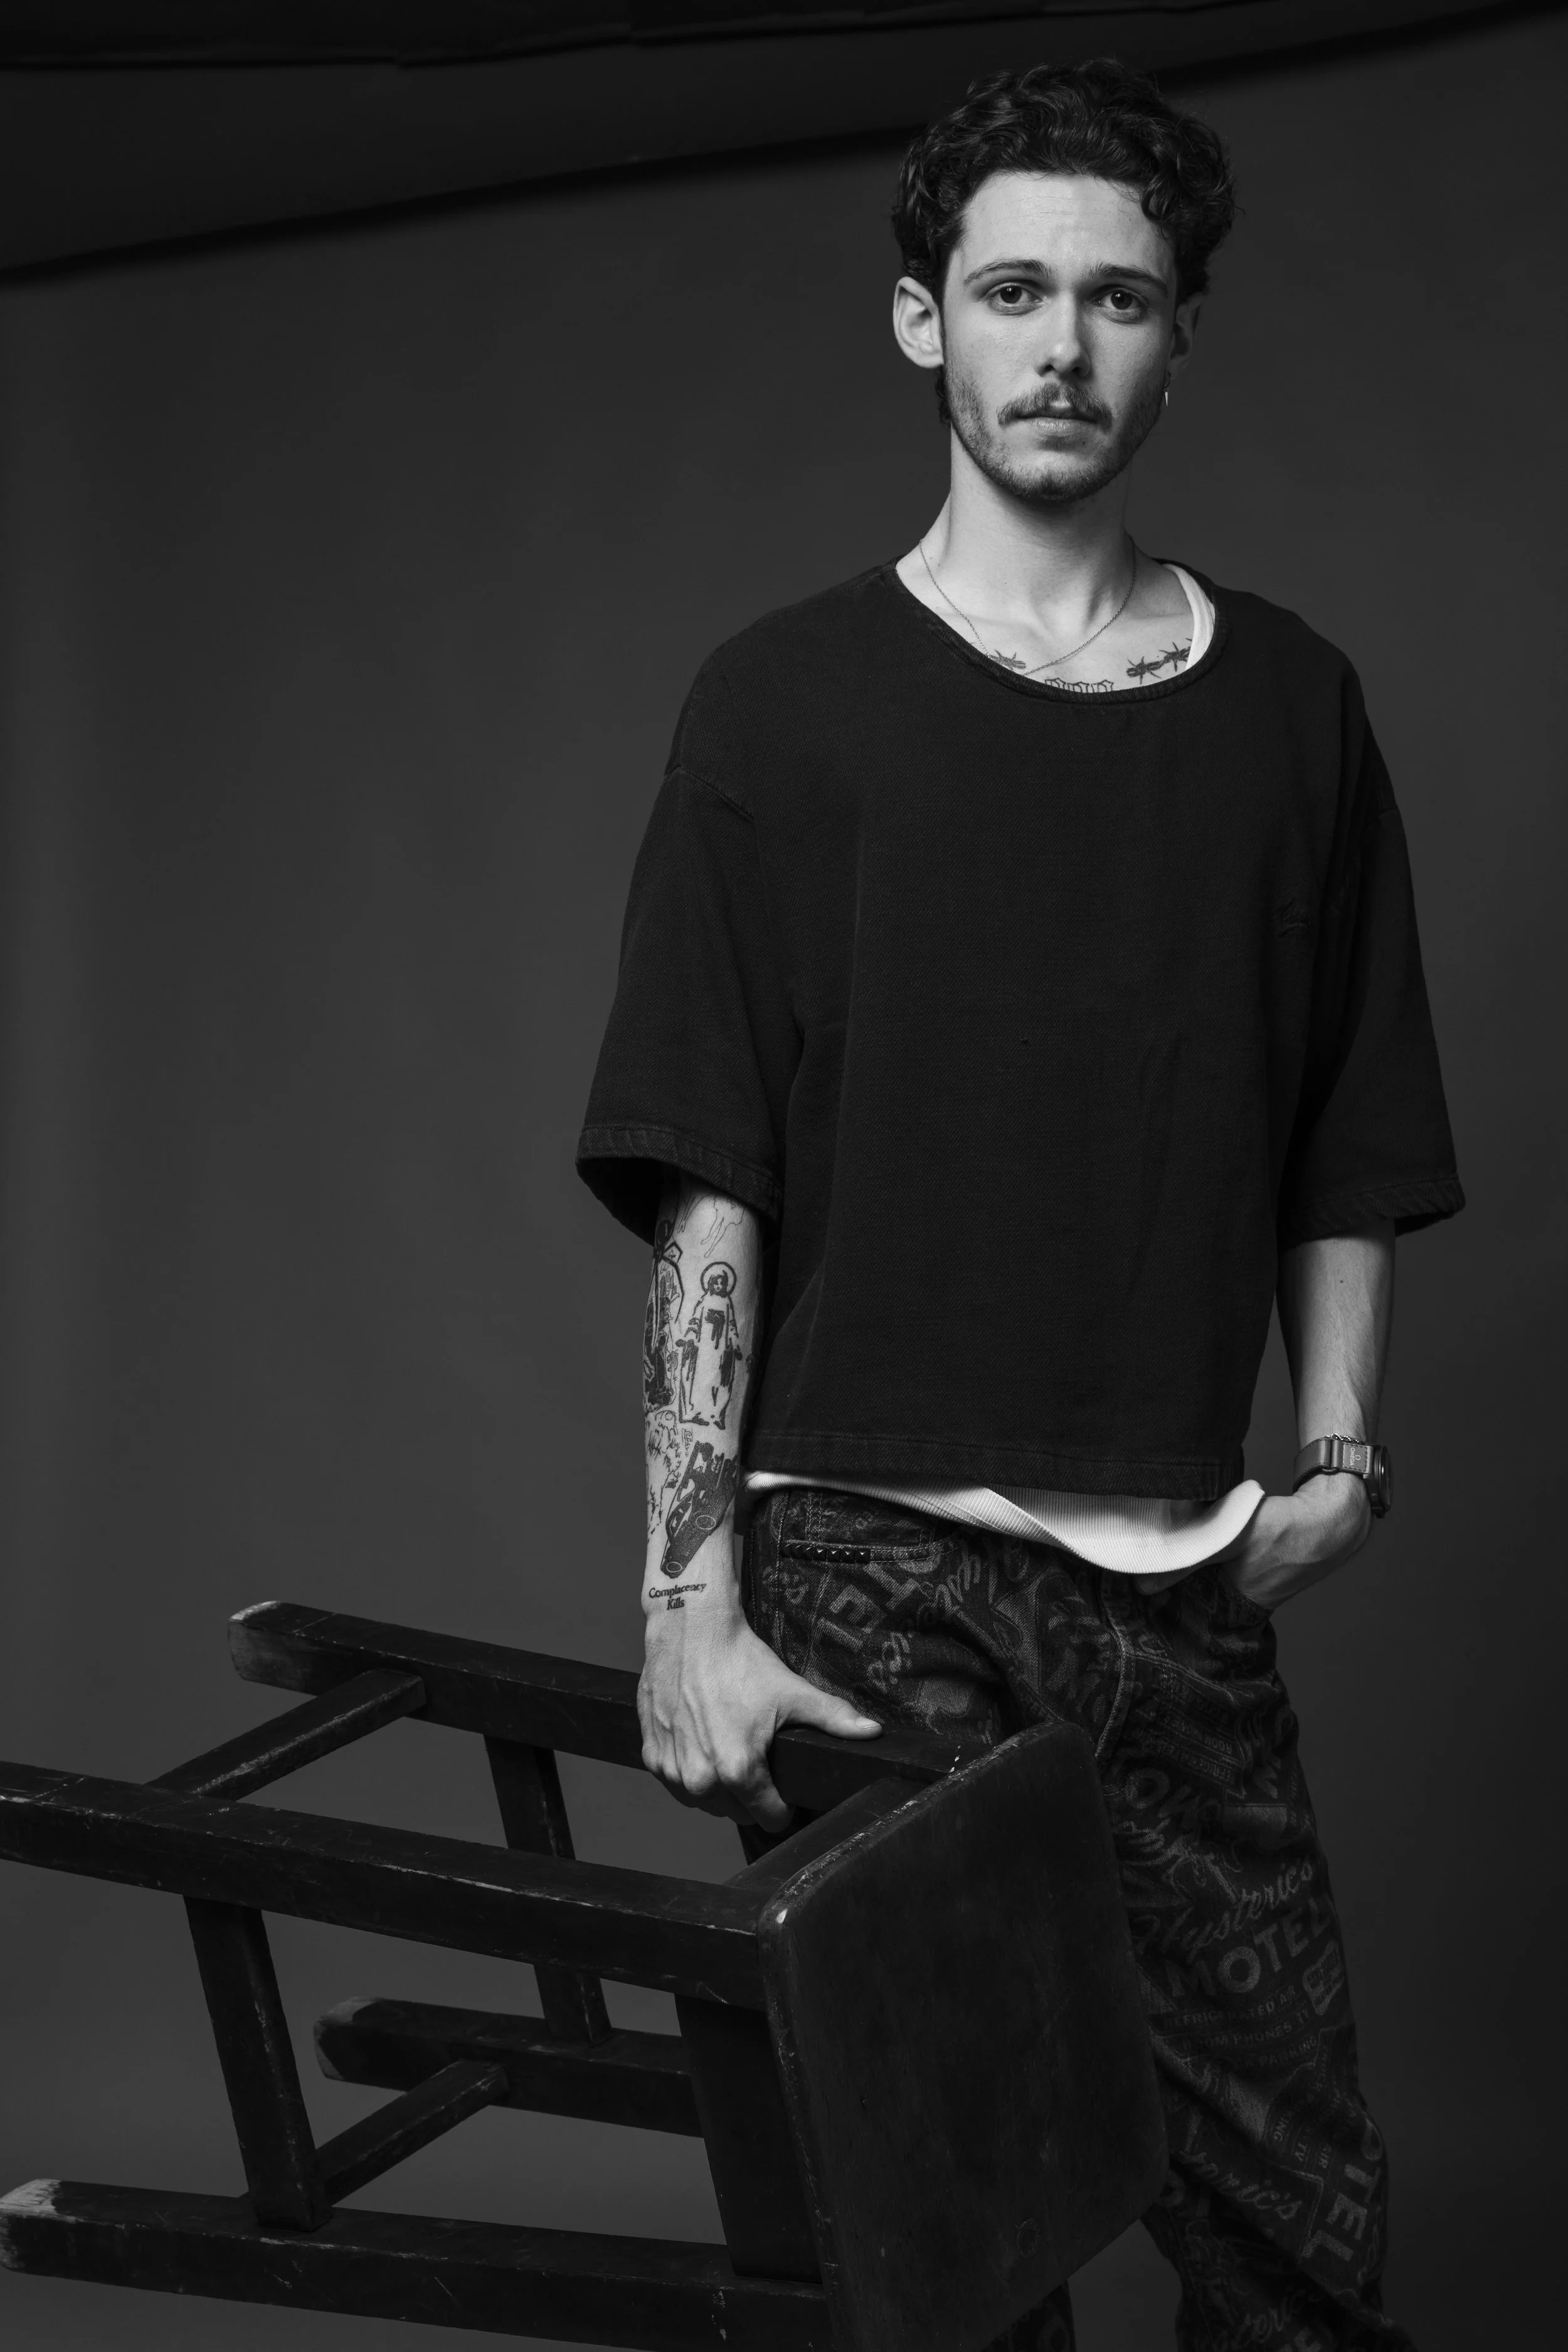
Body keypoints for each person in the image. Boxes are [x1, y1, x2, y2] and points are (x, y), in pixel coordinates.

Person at [577, 56, 1461, 2352]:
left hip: (1174, 1566)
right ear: (918, 326)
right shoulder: (778, 706)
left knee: (1296, 2220)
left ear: (1180, 337)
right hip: (865, 1558)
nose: (1059, 345)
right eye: (1008, 291)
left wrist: (1342, 1454)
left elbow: (1350, 1121)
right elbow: (708, 1184)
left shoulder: (1290, 705)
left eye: (1116, 297)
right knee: (947, 2234)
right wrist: (685, 1588)